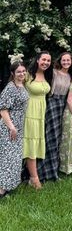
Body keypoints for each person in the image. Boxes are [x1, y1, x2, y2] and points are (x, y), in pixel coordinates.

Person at [37, 52, 72, 182]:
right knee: (50, 137)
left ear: (71, 62)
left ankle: (53, 171)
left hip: (63, 105)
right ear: (60, 61)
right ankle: (43, 172)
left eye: (68, 60)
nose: (66, 62)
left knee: (57, 138)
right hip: (52, 103)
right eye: (64, 60)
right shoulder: (53, 72)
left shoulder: (70, 75)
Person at [23, 51, 52, 189]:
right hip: (29, 114)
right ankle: (34, 179)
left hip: (40, 114)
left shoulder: (48, 75)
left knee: (35, 144)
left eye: (48, 61)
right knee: (31, 145)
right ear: (37, 60)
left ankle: (31, 177)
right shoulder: (27, 74)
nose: (46, 62)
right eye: (43, 60)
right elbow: (15, 89)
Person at [0, 61, 29, 198]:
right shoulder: (10, 88)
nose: (22, 73)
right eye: (18, 72)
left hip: (18, 126)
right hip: (9, 127)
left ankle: (8, 185)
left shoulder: (22, 85)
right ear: (13, 73)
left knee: (14, 158)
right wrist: (12, 127)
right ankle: (1, 190)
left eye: (23, 71)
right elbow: (3, 110)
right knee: (8, 158)